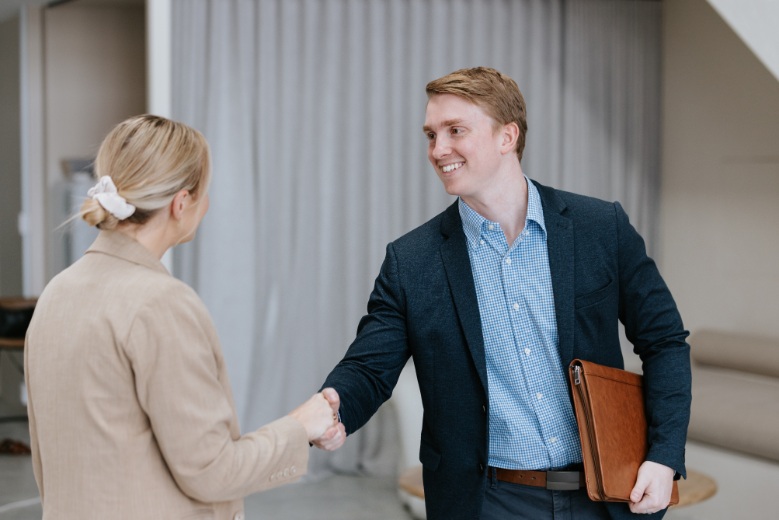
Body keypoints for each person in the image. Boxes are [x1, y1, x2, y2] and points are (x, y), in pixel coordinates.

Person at [316, 67, 691, 520]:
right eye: (431, 134)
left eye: (456, 131)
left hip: (608, 495)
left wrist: (665, 454)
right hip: (488, 502)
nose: (438, 149)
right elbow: (369, 368)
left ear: (506, 136)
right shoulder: (411, 262)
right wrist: (335, 405)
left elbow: (665, 341)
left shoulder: (601, 228)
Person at [24, 114, 346, 520]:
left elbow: (47, 466)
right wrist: (301, 426)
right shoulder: (160, 303)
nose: (207, 205)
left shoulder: (55, 294)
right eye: (204, 193)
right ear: (181, 203)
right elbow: (211, 472)